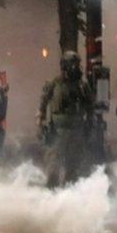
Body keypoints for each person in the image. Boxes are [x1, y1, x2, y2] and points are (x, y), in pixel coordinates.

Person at [38, 51, 93, 187]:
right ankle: (51, 194)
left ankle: (69, 197)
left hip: (76, 131)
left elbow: (90, 107)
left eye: (76, 64)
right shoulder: (54, 84)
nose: (76, 67)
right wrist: (40, 123)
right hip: (57, 131)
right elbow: (42, 105)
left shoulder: (82, 86)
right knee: (53, 166)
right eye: (73, 64)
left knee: (73, 166)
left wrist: (89, 126)